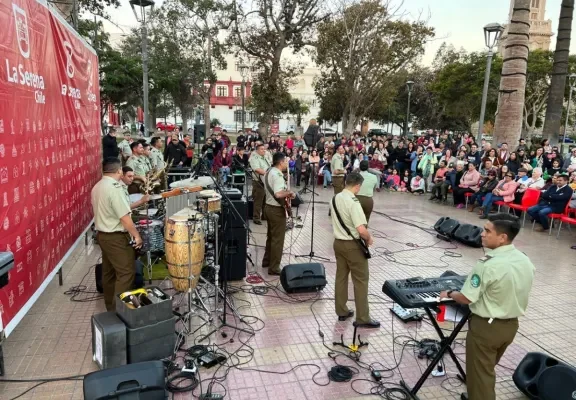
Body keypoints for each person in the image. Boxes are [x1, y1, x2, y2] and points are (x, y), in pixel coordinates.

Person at [439, 213, 534, 400]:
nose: (482, 234)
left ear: (502, 238)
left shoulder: (487, 264)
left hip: (486, 328)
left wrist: (449, 294)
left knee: (481, 378)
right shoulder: (524, 260)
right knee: (486, 369)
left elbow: (466, 297)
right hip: (510, 326)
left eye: (487, 231)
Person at [92, 158, 143, 311]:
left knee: (109, 273)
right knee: (126, 272)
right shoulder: (114, 188)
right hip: (115, 237)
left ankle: (110, 307)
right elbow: (124, 217)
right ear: (119, 170)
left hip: (103, 235)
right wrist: (136, 236)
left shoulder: (98, 186)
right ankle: (119, 311)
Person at [330, 172, 378, 328]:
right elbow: (361, 229)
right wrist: (369, 239)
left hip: (338, 243)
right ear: (357, 185)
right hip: (353, 246)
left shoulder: (335, 198)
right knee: (361, 281)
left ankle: (342, 311)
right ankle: (363, 317)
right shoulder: (354, 202)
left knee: (341, 277)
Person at [262, 152, 295, 275]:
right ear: (281, 162)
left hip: (268, 207)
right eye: (286, 161)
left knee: (271, 237)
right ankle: (274, 267)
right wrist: (290, 193)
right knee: (278, 239)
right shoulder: (277, 175)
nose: (287, 163)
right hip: (276, 210)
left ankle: (267, 260)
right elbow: (278, 193)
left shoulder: (269, 171)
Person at [249, 144, 270, 225]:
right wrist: (268, 174)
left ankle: (264, 216)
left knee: (265, 200)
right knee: (258, 201)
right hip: (258, 181)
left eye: (264, 149)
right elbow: (257, 169)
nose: (264, 150)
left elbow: (269, 167)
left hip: (266, 181)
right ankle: (256, 218)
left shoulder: (265, 158)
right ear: (257, 150)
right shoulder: (254, 158)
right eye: (262, 149)